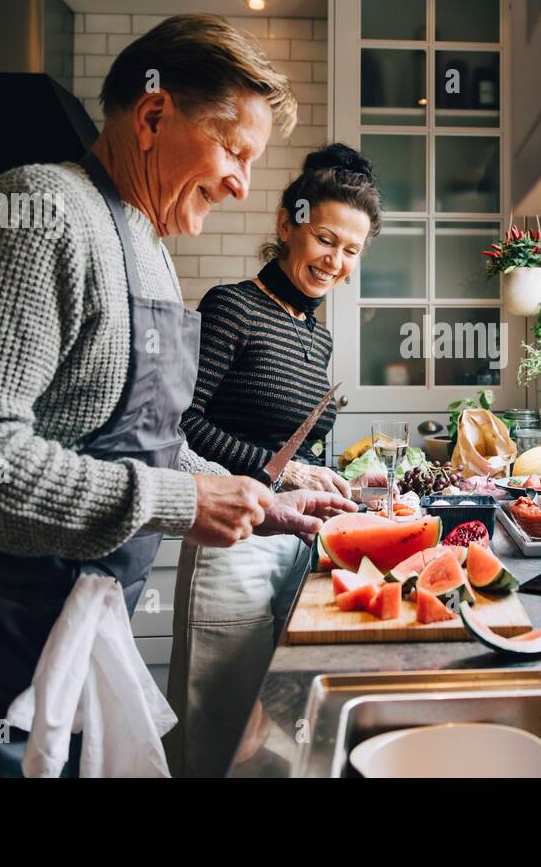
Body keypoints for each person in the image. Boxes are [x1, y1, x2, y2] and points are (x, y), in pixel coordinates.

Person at [0, 13, 354, 777]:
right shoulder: (41, 212)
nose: (241, 180)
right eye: (234, 149)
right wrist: (179, 502)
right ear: (155, 113)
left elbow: (149, 438)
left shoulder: (146, 248)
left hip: (66, 630)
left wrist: (259, 498)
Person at [169, 144, 381, 776]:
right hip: (229, 537)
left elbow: (298, 443)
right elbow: (184, 425)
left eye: (351, 251)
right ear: (288, 224)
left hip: (293, 538)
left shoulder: (317, 335)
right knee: (217, 723)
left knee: (272, 723)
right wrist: (283, 471)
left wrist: (339, 474)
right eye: (325, 238)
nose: (335, 261)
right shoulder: (230, 307)